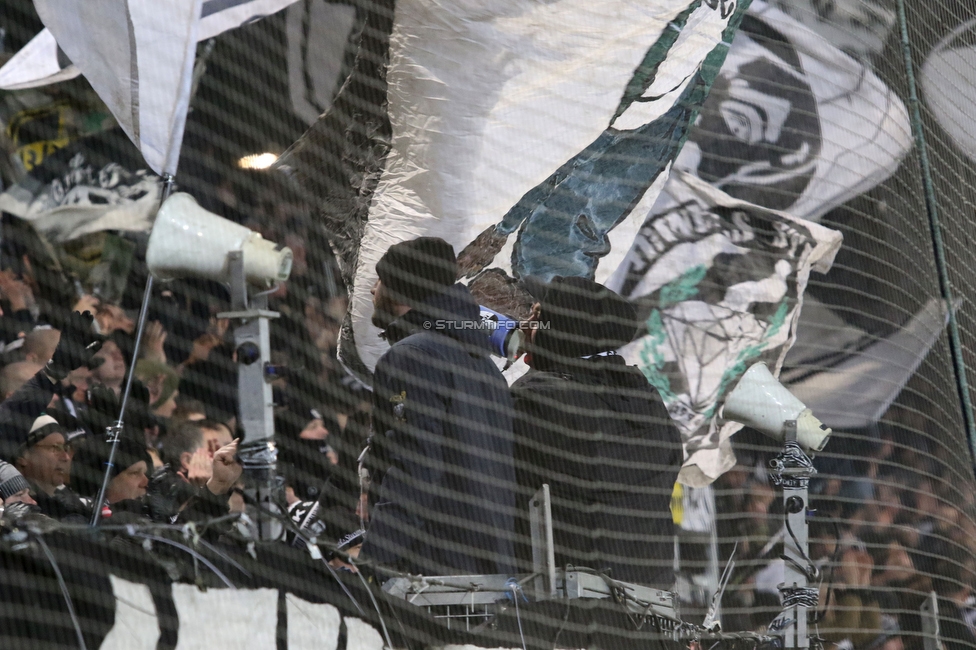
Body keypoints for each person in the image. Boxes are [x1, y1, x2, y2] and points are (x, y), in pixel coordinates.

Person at [512, 276, 682, 589]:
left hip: (563, 607)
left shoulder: (536, 399)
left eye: (537, 318)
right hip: (647, 606)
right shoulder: (647, 402)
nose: (525, 324)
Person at [360, 236, 516, 576]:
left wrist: (373, 563)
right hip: (487, 574)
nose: (373, 289)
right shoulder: (487, 368)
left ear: (400, 290)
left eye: (381, 279)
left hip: (430, 577)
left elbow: (414, 470)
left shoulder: (411, 357)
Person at [146, 420, 241, 524]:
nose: (231, 459)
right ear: (187, 461)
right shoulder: (163, 494)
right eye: (217, 450)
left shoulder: (233, 490)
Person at [13, 414, 91, 521]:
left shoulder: (73, 503)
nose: (66, 457)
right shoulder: (14, 503)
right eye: (55, 448)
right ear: (23, 456)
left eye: (65, 448)